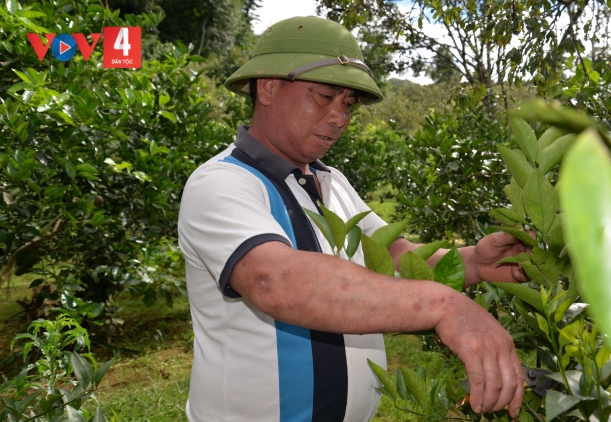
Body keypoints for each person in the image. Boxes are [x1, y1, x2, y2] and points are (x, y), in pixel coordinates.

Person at [178, 16, 530, 422]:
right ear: (269, 87)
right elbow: (274, 280)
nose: (338, 116)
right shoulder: (223, 183)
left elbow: (395, 256)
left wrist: (475, 263)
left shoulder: (331, 181)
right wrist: (444, 305)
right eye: (324, 96)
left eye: (346, 104)